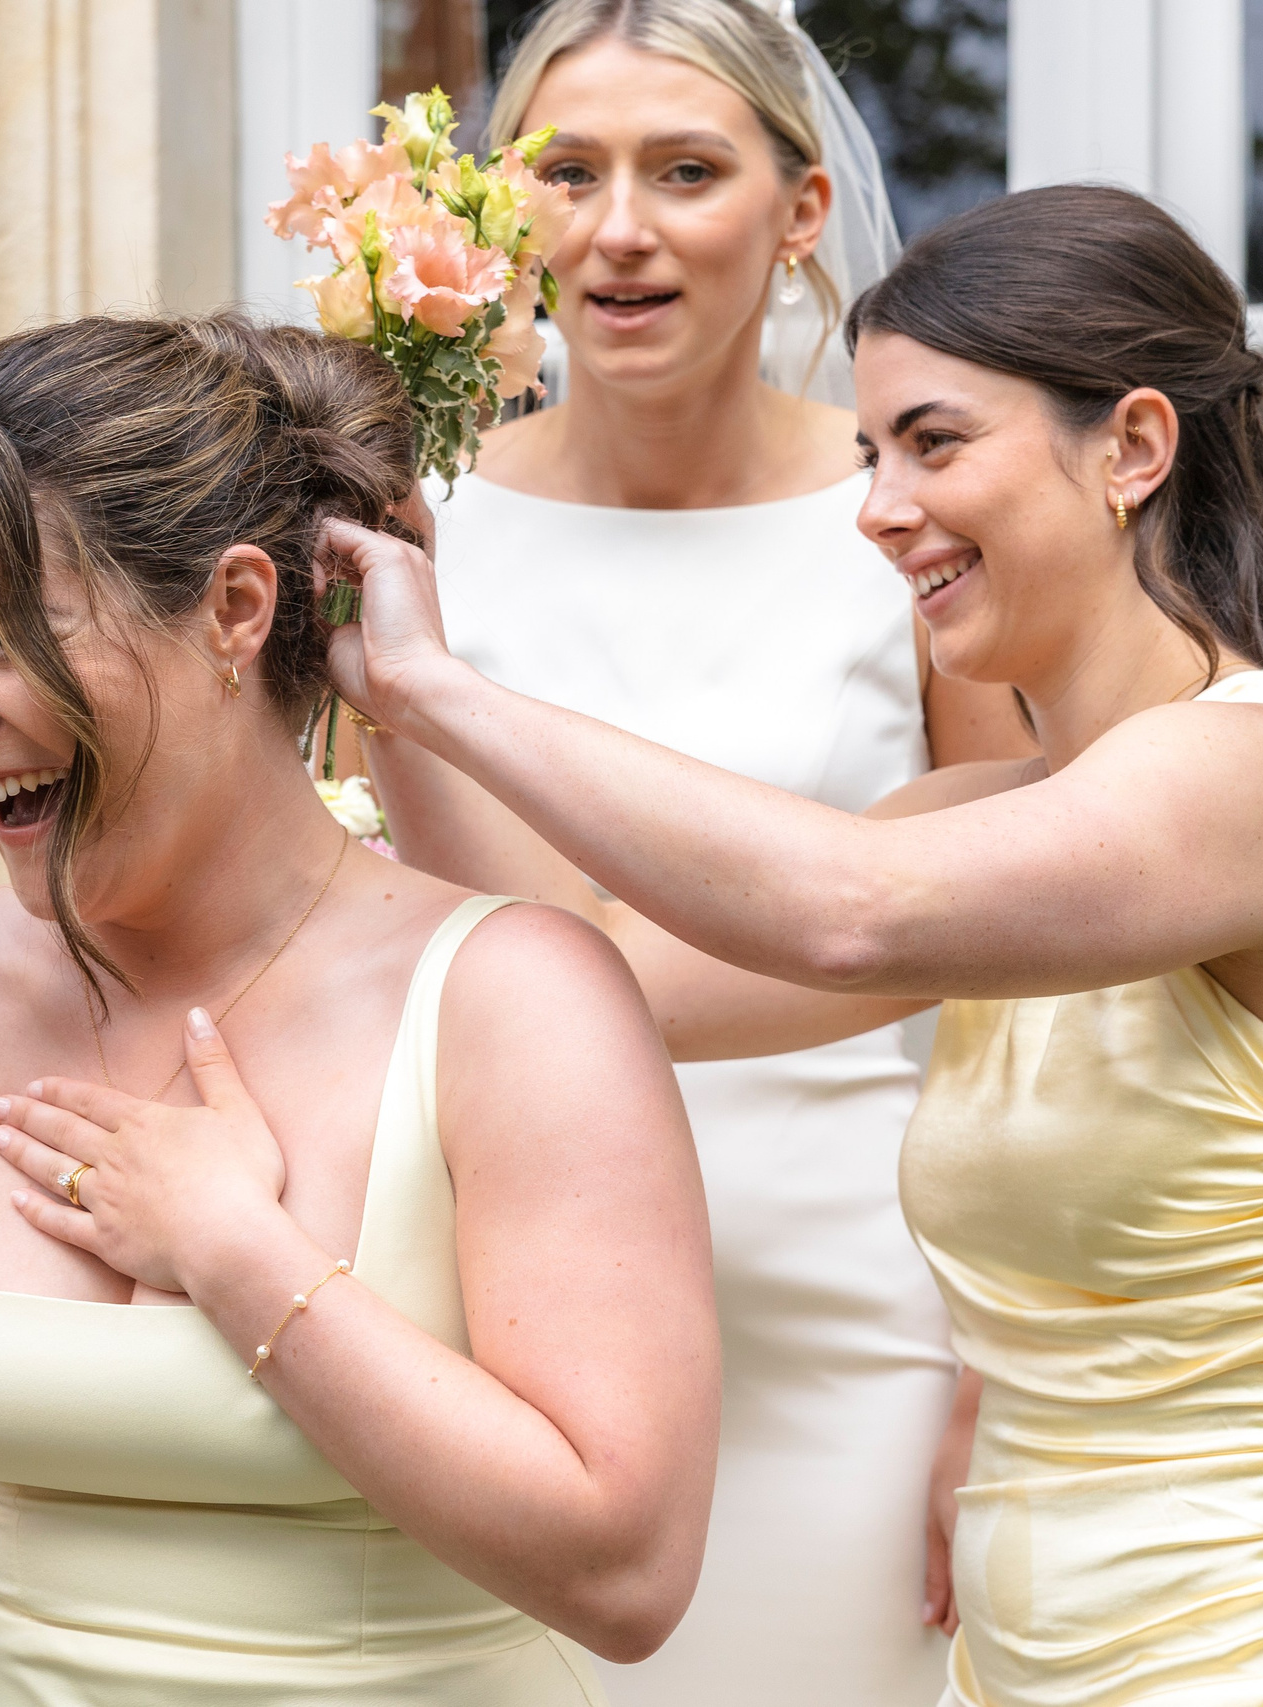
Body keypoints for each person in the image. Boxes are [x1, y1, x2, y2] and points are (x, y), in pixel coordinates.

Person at [324, 183, 1263, 1705]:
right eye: (871, 452)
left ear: (1134, 449)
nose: (876, 507)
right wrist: (386, 696)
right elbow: (601, 968)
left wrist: (458, 694)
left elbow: (839, 907)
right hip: (1022, 1667)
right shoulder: (986, 808)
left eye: (935, 444)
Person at [0, 312, 719, 1705]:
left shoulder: (513, 1000)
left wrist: (238, 1256)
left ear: (236, 609)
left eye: (2, 640)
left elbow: (628, 1573)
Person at [372, 5, 1031, 1701]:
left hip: (853, 1319)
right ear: (502, 213)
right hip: (480, 1330)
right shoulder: (406, 539)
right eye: (567, 173)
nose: (619, 229)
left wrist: (1004, 1368)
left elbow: (1034, 986)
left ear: (802, 212)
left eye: (686, 171)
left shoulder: (910, 528)